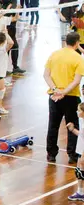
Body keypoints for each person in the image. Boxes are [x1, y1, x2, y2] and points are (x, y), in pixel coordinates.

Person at [44, 32, 84, 164]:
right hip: (71, 97)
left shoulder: (54, 54)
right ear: (77, 43)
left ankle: (51, 154)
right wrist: (64, 92)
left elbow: (46, 75)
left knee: (53, 125)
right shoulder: (78, 58)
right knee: (72, 124)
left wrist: (56, 90)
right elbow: (77, 80)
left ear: (66, 41)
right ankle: (72, 154)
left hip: (54, 97)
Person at [66, 103, 84, 201]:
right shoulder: (81, 120)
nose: (77, 112)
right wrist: (72, 129)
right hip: (81, 149)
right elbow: (81, 135)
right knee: (79, 171)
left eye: (79, 110)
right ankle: (80, 192)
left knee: (82, 171)